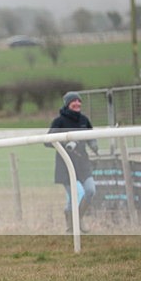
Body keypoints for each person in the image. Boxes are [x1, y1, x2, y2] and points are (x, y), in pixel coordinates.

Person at [47, 92, 99, 232]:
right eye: (73, 101)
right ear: (67, 104)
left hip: (83, 164)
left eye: (79, 101)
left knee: (90, 190)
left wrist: (94, 145)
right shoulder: (59, 121)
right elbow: (47, 141)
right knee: (75, 195)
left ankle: (78, 218)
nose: (77, 103)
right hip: (65, 164)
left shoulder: (84, 120)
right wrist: (65, 142)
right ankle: (71, 227)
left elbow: (91, 136)